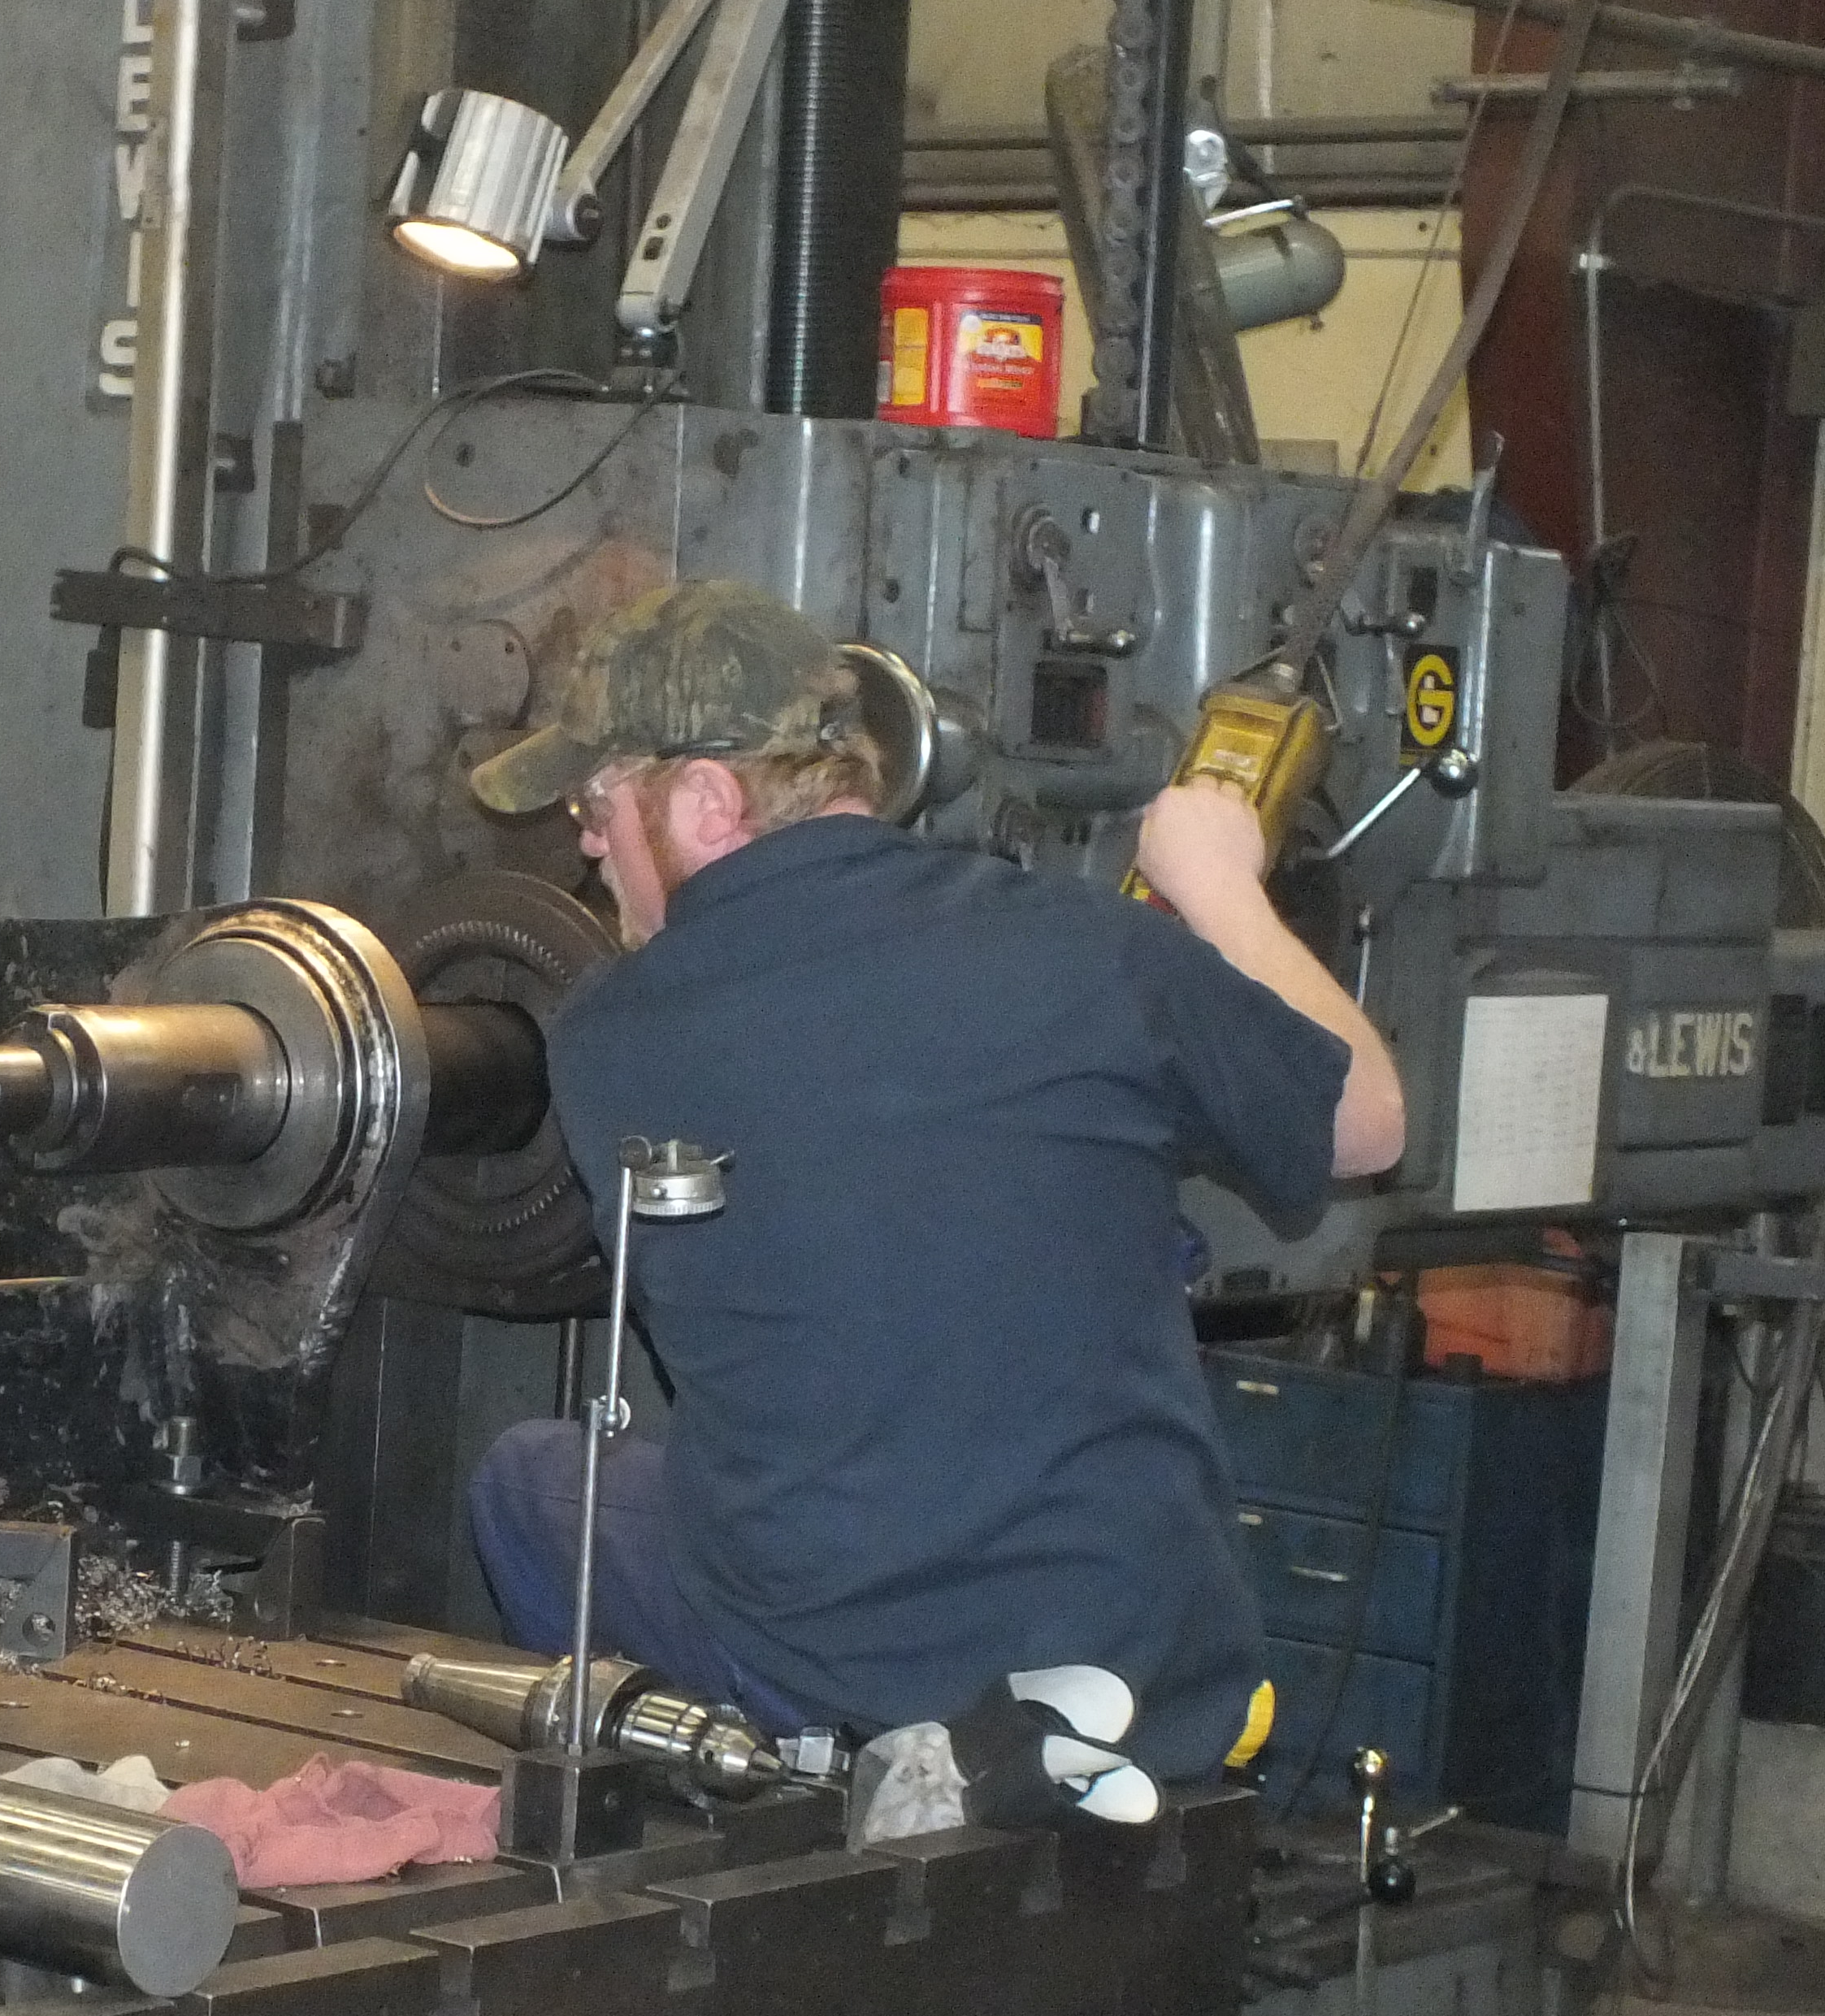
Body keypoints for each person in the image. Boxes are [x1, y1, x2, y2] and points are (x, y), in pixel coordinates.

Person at [463, 577, 1406, 1823]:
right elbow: (1371, 1122)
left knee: (533, 1484)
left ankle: (765, 1802)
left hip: (842, 1668)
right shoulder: (1086, 947)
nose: (587, 844)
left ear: (704, 799)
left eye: (598, 807)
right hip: (1152, 1671)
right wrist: (1220, 880)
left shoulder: (604, 1042)